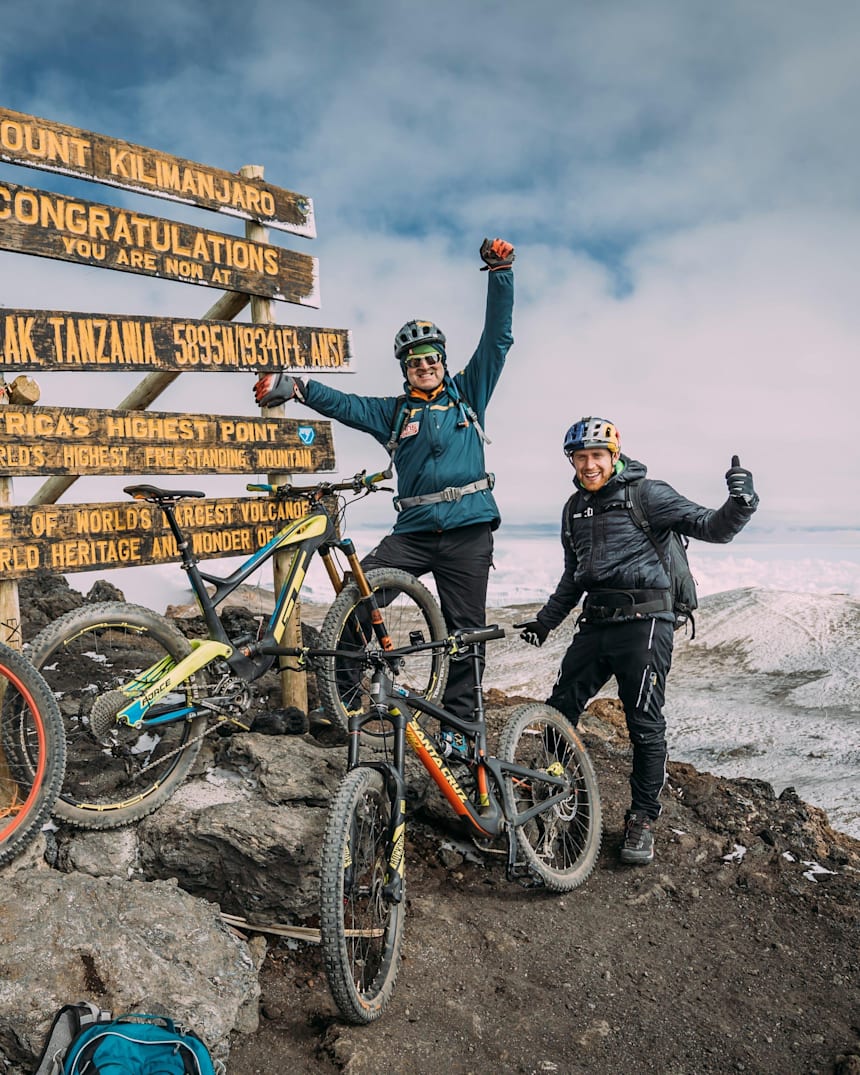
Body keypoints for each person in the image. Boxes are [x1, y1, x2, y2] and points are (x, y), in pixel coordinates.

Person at [253, 238, 515, 747]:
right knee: (357, 602)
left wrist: (499, 271)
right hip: (413, 535)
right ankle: (346, 706)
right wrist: (299, 388)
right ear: (405, 369)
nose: (424, 365)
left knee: (463, 637)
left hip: (468, 535)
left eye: (431, 357)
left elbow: (498, 339)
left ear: (443, 361)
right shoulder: (394, 413)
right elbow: (346, 404)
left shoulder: (469, 396)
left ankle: (463, 735)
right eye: (415, 360)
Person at [518, 416, 758, 865]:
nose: (589, 465)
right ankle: (554, 784)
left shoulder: (648, 493)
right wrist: (546, 621)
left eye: (596, 456)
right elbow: (574, 574)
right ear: (571, 459)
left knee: (643, 723)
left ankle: (642, 818)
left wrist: (741, 502)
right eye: (580, 457)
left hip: (645, 622)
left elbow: (713, 527)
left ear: (614, 456)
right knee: (560, 708)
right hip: (595, 622)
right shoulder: (574, 507)